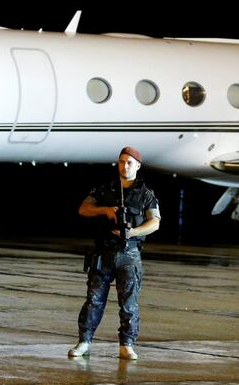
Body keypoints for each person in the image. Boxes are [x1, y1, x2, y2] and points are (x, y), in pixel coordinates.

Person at [69, 146, 160, 360]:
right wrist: (105, 210)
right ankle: (84, 342)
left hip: (129, 254)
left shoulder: (146, 194)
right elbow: (83, 209)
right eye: (121, 162)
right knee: (93, 301)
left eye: (129, 162)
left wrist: (133, 232)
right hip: (104, 252)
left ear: (137, 166)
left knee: (128, 304)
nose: (125, 166)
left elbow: (155, 222)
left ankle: (126, 345)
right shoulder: (105, 189)